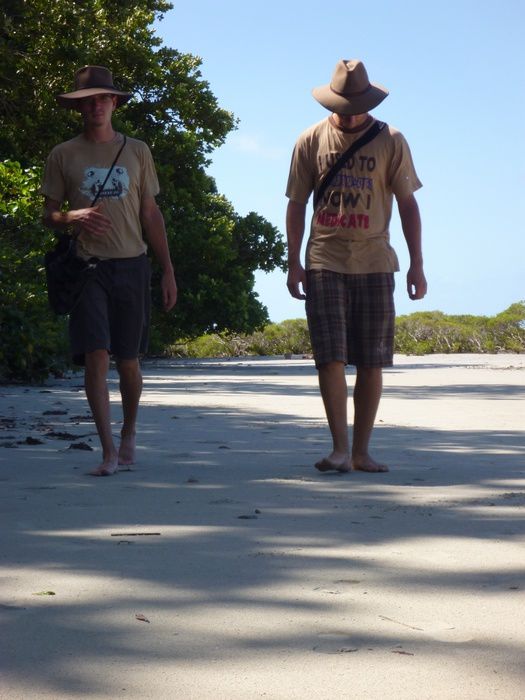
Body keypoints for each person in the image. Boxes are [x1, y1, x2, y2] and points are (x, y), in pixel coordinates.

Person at [285, 58, 427, 474]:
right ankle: (340, 450)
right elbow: (295, 205)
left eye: (357, 105)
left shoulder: (392, 140)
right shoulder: (310, 140)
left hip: (375, 260)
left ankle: (362, 451)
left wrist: (417, 264)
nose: (350, 113)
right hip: (324, 258)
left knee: (371, 360)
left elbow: (408, 205)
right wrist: (294, 263)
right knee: (328, 357)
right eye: (343, 106)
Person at [41, 65, 178, 476]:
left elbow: (151, 214)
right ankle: (107, 450)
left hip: (132, 265)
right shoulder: (63, 154)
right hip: (87, 269)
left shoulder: (137, 151)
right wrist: (72, 215)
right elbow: (48, 215)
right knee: (96, 356)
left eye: (102, 98)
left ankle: (130, 432)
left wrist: (168, 270)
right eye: (88, 100)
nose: (95, 106)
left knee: (129, 361)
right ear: (79, 107)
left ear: (114, 102)